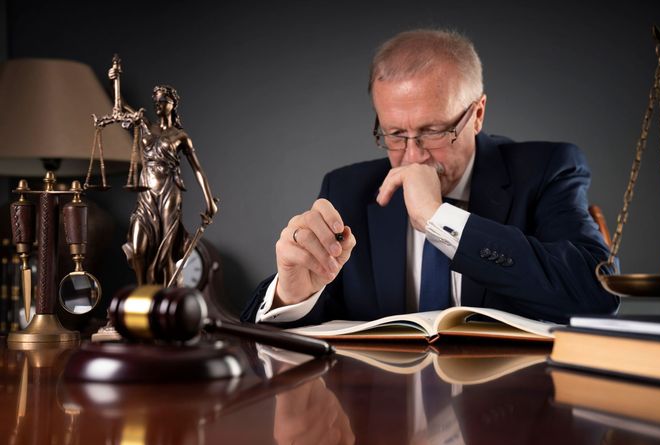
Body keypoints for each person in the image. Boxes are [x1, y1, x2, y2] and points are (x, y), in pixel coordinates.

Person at [241, 28, 618, 325]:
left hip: (510, 410)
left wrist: (438, 219)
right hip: (382, 412)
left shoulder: (548, 168)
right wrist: (291, 297)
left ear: (478, 114)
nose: (413, 156)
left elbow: (596, 293)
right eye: (394, 134)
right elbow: (285, 339)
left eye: (434, 131)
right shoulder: (347, 190)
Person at [114, 79, 217, 286]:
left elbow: (197, 169)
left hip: (169, 191)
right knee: (137, 250)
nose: (158, 104)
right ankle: (142, 295)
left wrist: (210, 202)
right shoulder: (144, 124)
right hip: (145, 193)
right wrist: (115, 79)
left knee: (165, 253)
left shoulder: (181, 136)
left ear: (172, 104)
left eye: (163, 101)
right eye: (156, 101)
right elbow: (119, 107)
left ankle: (166, 297)